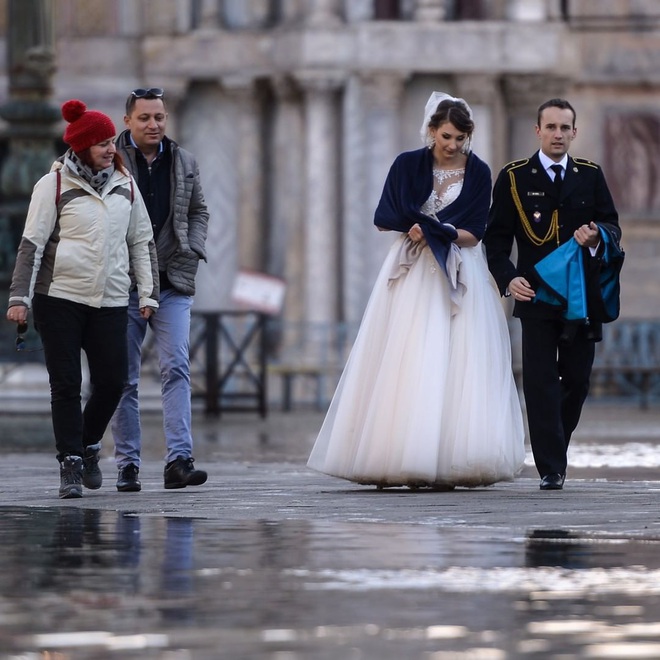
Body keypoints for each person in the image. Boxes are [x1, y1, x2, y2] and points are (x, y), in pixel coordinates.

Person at [307, 92, 526, 489]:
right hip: (413, 269)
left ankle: (449, 458)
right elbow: (384, 216)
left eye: (461, 138)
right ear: (431, 131)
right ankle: (400, 452)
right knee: (408, 355)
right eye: (446, 137)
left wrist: (436, 231)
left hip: (459, 268)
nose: (453, 146)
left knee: (458, 358)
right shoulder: (407, 164)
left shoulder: (478, 172)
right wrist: (416, 229)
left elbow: (475, 231)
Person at [6, 99, 159, 499]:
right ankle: (70, 463)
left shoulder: (126, 185)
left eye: (112, 141)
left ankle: (89, 445)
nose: (111, 148)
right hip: (59, 298)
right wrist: (19, 297)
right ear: (81, 147)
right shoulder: (53, 185)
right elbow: (31, 244)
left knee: (113, 380)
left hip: (110, 298)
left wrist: (148, 293)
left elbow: (141, 241)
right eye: (102, 143)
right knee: (67, 384)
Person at [484, 98, 621, 491]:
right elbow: (496, 241)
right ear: (538, 131)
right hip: (536, 296)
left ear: (574, 132)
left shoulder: (590, 175)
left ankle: (554, 443)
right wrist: (509, 280)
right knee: (541, 381)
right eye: (551, 127)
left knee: (577, 380)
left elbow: (612, 224)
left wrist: (597, 237)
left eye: (565, 128)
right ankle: (551, 466)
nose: (558, 134)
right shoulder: (513, 178)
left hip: (582, 296)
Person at [110, 87, 210, 492]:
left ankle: (179, 461)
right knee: (123, 378)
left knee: (177, 369)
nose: (154, 125)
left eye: (160, 117)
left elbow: (199, 209)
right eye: (146, 118)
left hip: (172, 281)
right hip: (124, 285)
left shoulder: (183, 161)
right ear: (128, 121)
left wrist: (193, 245)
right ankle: (127, 464)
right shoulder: (110, 161)